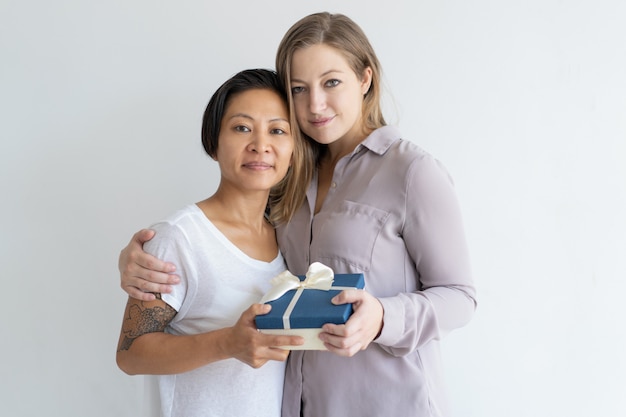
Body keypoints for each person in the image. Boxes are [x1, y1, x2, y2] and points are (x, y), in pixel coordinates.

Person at [119, 12, 477, 417]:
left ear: (365, 79)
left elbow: (460, 297)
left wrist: (382, 316)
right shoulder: (288, 177)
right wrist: (136, 255)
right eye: (299, 89)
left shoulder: (412, 172)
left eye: (331, 83)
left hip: (389, 403)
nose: (315, 104)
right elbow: (218, 239)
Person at [115, 68, 310, 417]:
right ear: (214, 143)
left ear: (294, 151)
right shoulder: (179, 238)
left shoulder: (290, 239)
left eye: (278, 130)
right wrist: (227, 343)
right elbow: (130, 354)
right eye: (242, 128)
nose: (260, 145)